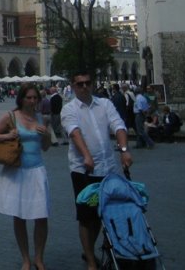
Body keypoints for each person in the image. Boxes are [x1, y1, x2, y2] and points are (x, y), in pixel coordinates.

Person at [61, 73, 132, 270]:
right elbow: (74, 132)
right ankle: (91, 261)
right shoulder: (69, 109)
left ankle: (88, 250)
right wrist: (86, 155)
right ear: (73, 86)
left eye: (87, 83)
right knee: (86, 216)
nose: (84, 87)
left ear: (92, 85)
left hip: (107, 167)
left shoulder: (105, 104)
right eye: (80, 84)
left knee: (101, 213)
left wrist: (124, 150)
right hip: (83, 170)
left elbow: (118, 125)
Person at [0, 84, 51, 270]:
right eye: (29, 97)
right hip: (17, 171)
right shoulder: (11, 116)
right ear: (22, 98)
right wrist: (8, 135)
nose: (32, 101)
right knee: (20, 217)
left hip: (37, 171)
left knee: (41, 216)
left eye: (35, 98)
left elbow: (46, 147)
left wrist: (46, 134)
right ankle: (25, 259)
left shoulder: (41, 118)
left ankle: (38, 257)